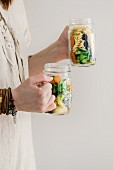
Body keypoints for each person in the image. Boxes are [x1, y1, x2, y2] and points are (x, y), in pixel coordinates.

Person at [0, 0, 68, 169]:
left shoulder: (13, 3)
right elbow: (13, 94)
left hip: (20, 157)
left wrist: (57, 51)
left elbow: (14, 73)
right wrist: (10, 100)